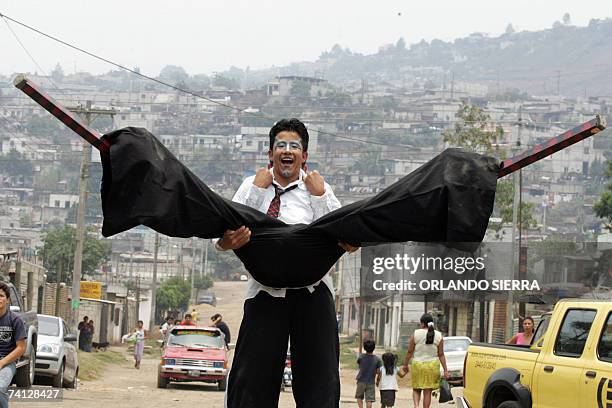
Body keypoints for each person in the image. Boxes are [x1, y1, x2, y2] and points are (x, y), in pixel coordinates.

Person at [216, 118, 357, 407]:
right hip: (265, 292)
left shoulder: (320, 188)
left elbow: (346, 234)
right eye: (281, 145)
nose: (287, 151)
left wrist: (319, 196)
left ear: (304, 156)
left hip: (313, 292)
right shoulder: (251, 186)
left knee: (321, 379)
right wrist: (256, 192)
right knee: (251, 378)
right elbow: (220, 236)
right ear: (270, 154)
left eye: (295, 146)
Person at [403, 313, 449, 408]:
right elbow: (441, 354)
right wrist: (445, 370)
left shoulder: (416, 333)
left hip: (418, 365)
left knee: (416, 388)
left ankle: (416, 406)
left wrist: (405, 364)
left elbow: (410, 351)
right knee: (427, 391)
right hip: (432, 366)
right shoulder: (439, 335)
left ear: (423, 324)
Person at [0, 282, 26, 408]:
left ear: (7, 299)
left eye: (1, 296)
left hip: (7, 362)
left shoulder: (15, 320)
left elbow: (21, 348)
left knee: (0, 387)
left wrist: (2, 362)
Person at [355, 339, 381, 408]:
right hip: (371, 382)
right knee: (369, 400)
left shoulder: (360, 357)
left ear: (364, 348)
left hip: (361, 380)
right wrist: (378, 380)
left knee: (359, 397)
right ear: (374, 348)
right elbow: (378, 371)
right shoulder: (377, 359)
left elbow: (359, 366)